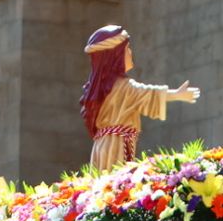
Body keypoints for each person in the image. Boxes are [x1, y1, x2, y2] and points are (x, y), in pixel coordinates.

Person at [80, 26, 200, 170]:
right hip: (115, 146)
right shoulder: (123, 87)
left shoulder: (103, 88)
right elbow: (147, 93)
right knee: (115, 180)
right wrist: (177, 94)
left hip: (102, 146)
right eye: (127, 49)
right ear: (116, 55)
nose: (130, 53)